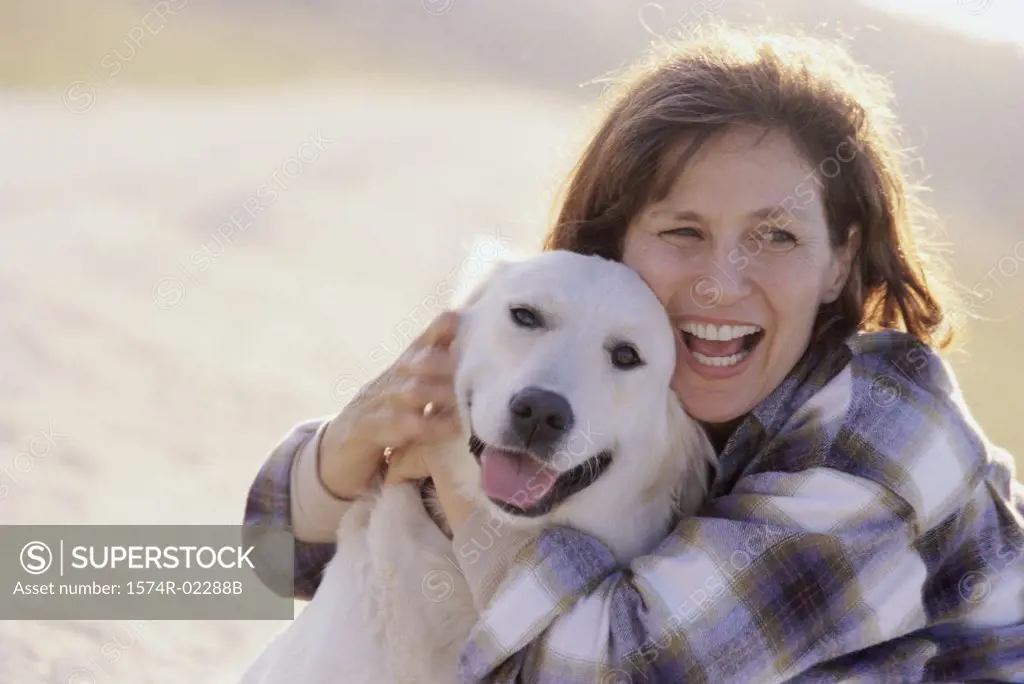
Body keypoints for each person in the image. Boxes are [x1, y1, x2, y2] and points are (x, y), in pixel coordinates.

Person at [243, 26, 1024, 683]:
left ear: (840, 264)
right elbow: (270, 565)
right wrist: (342, 452)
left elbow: (612, 664)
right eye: (683, 231)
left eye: (776, 236)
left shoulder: (883, 434)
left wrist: (454, 490)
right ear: (614, 245)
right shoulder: (637, 392)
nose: (721, 285)